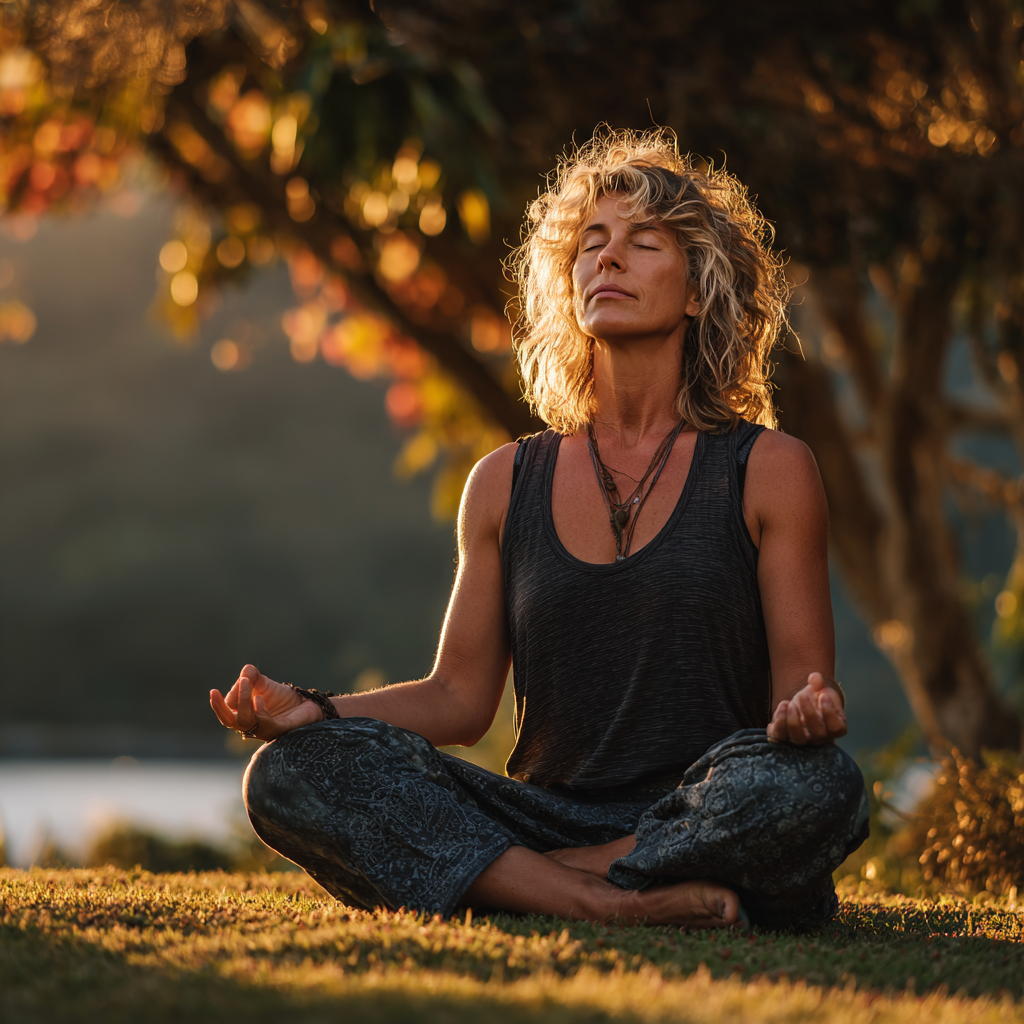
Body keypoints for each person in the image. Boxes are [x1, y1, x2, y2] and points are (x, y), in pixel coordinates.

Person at [210, 130, 868, 931]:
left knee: (819, 785)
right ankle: (598, 899)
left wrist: (810, 713)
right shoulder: (503, 482)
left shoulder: (767, 467)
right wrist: (313, 712)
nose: (609, 259)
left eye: (643, 242)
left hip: (706, 811)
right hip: (543, 818)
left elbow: (807, 692)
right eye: (592, 243)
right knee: (287, 774)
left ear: (698, 291)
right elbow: (457, 699)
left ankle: (521, 883)